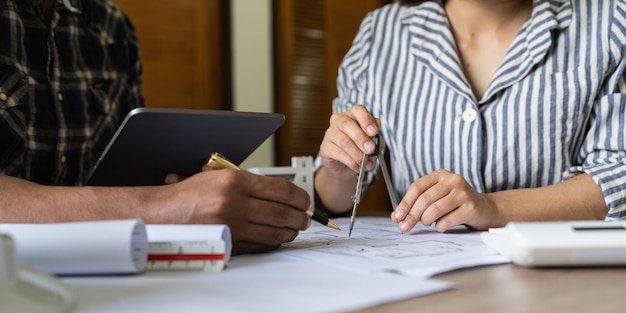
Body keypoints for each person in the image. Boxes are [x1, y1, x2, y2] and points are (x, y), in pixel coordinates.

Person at [0, 0, 311, 255]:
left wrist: (189, 192)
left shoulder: (112, 25)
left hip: (109, 260)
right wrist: (165, 207)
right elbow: (153, 205)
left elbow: (128, 169)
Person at [314, 0, 626, 234]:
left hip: (563, 282)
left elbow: (617, 178)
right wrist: (339, 171)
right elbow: (335, 201)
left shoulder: (610, 22)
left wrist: (493, 207)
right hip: (422, 282)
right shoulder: (378, 34)